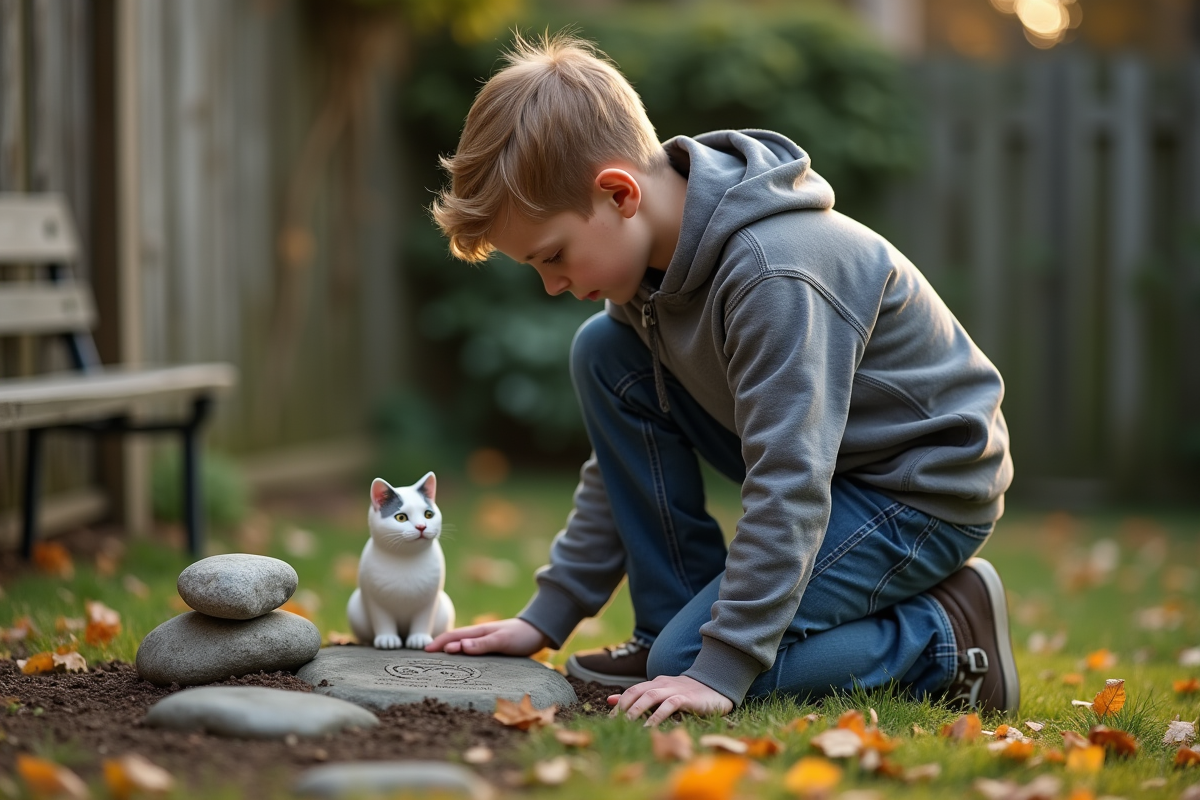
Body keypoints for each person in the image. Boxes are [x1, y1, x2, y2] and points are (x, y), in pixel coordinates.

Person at [425, 31, 1018, 727]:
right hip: (834, 472)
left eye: (552, 256)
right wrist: (547, 615)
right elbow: (620, 466)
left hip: (919, 489)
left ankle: (944, 635)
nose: (552, 285)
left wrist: (722, 663)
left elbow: (789, 481)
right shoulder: (648, 282)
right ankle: (666, 630)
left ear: (618, 194)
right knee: (601, 353)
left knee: (693, 663)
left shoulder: (774, 271)